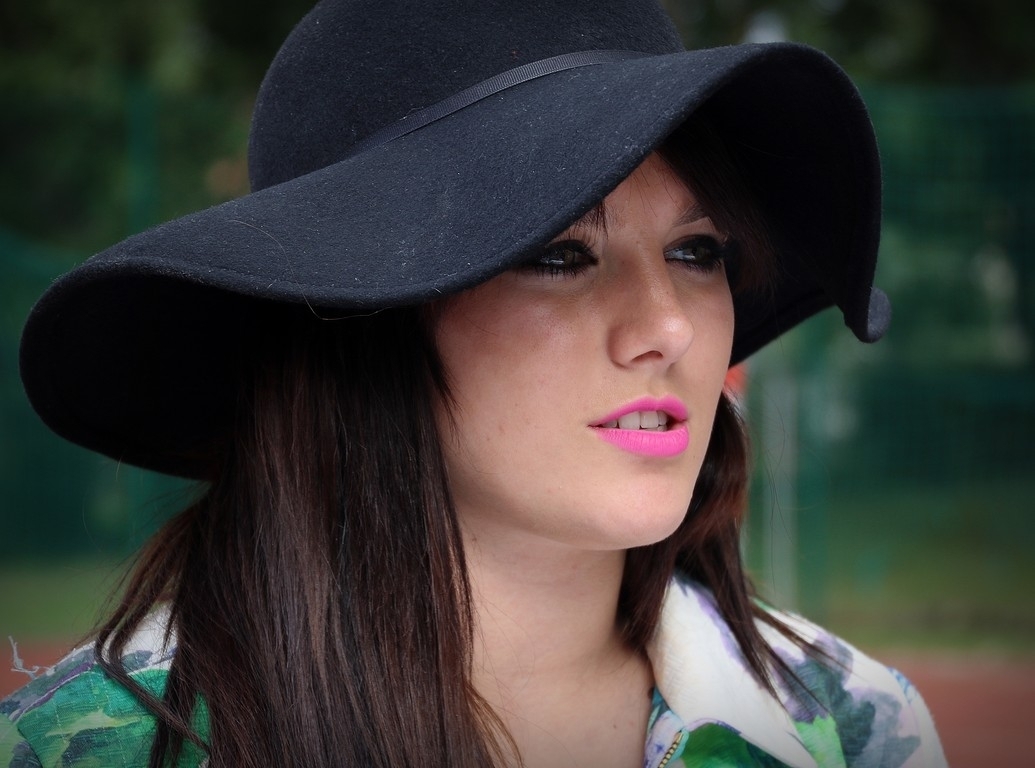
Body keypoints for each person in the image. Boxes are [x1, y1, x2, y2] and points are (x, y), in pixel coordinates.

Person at [1, 1, 946, 766]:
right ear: (365, 323)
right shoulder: (91, 749)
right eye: (559, 255)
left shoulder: (856, 732)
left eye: (697, 251)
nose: (667, 327)